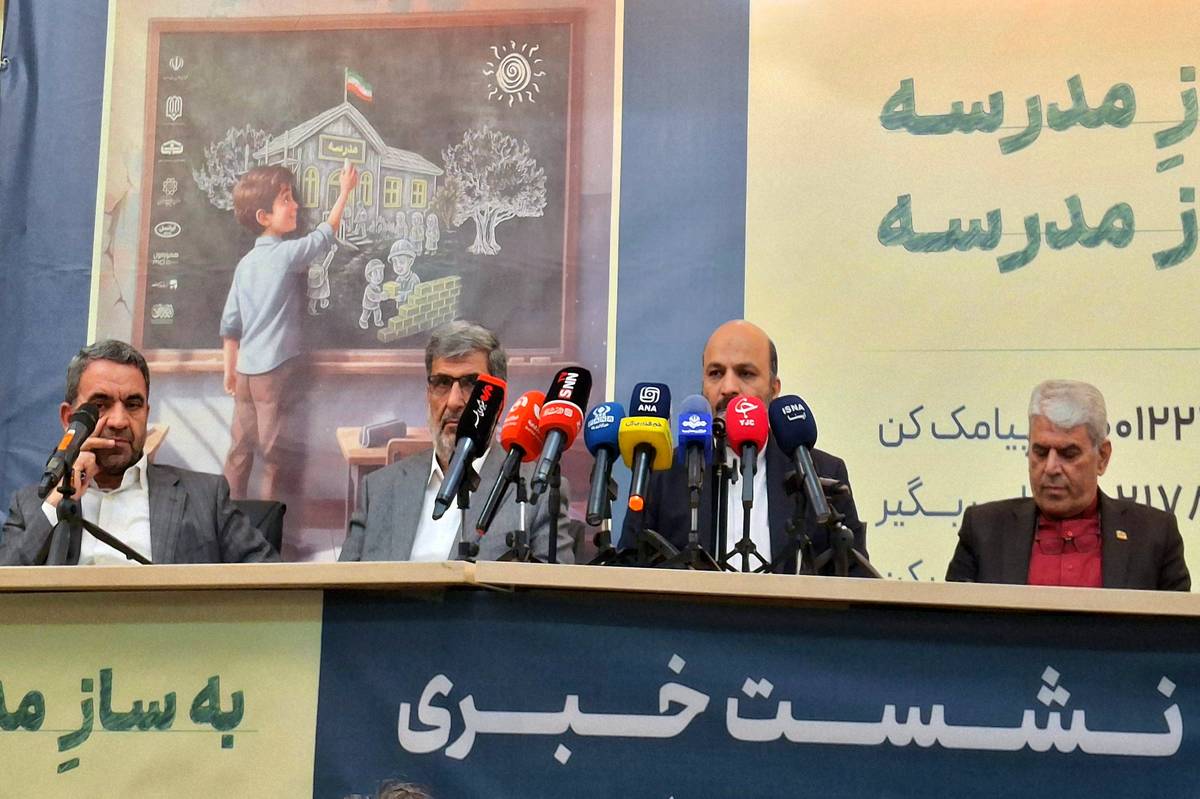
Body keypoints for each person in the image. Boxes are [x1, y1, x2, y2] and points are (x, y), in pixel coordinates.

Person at [0, 340, 278, 565]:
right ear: (68, 418)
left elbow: (273, 585)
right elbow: (7, 590)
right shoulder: (31, 506)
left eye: (133, 405)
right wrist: (59, 499)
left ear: (146, 413)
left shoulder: (205, 498)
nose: (119, 421)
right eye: (100, 405)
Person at [621, 320, 866, 574]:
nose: (728, 388)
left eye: (746, 373)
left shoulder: (822, 473)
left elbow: (855, 579)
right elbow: (627, 570)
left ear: (774, 389)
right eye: (716, 373)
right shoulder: (663, 472)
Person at [340, 321, 575, 562]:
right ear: (428, 394)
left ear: (499, 400)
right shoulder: (379, 490)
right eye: (442, 383)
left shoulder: (538, 493)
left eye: (471, 384)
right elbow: (340, 584)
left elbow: (553, 586)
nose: (454, 401)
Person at [946, 380, 1190, 590]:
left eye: (1068, 454)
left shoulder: (1154, 536)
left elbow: (1178, 629)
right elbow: (951, 625)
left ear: (1102, 457)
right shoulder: (983, 530)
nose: (1051, 468)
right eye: (1040, 452)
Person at [220, 161, 358, 526]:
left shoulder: (245, 265)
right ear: (263, 216)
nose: (295, 205)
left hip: (245, 374)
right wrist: (345, 191)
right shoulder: (283, 256)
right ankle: (267, 535)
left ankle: (226, 526)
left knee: (239, 452)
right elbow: (325, 235)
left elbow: (231, 325)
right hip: (273, 372)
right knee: (274, 458)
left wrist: (229, 371)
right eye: (286, 199)